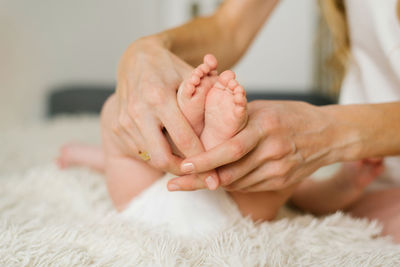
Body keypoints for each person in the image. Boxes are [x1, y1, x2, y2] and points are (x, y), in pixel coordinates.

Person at [61, 0, 400, 240]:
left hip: (146, 205)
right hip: (230, 211)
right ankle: (210, 138)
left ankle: (205, 134)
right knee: (277, 176)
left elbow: (115, 161)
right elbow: (229, 27)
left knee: (111, 118)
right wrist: (146, 50)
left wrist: (338, 134)